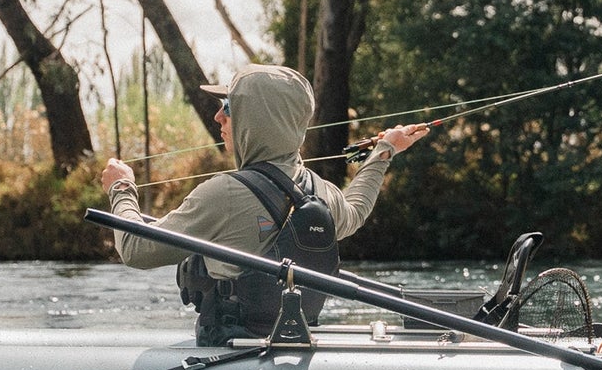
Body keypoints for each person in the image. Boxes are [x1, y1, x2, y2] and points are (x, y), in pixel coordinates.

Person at [100, 64, 429, 342]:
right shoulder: (324, 192)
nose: (218, 117)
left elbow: (134, 248)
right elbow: (355, 211)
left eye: (228, 107)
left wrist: (121, 188)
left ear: (256, 119)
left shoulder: (220, 195)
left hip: (230, 349)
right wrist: (384, 152)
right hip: (294, 345)